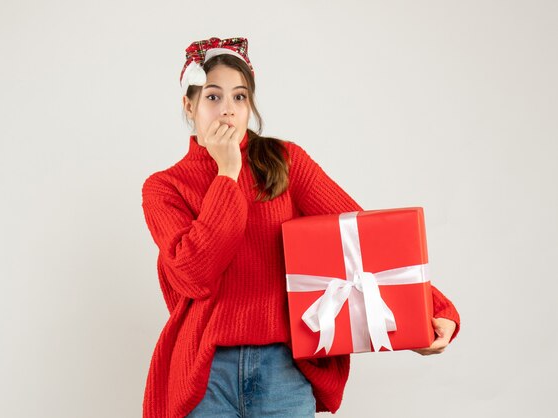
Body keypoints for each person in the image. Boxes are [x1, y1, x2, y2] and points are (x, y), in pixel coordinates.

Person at [140, 36, 461, 418]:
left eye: (239, 97)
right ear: (189, 105)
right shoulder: (164, 187)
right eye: (213, 97)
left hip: (284, 369)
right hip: (205, 373)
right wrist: (227, 174)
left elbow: (361, 238)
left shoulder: (285, 161)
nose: (227, 110)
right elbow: (195, 275)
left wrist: (430, 313)